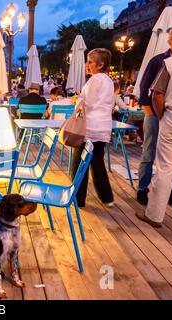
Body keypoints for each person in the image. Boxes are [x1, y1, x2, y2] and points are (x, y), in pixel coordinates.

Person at [136, 26, 172, 206]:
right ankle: (143, 188)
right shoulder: (158, 61)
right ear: (170, 40)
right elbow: (145, 90)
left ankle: (167, 191)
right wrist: (153, 114)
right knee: (149, 151)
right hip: (156, 115)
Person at [70, 48, 115, 208]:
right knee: (97, 163)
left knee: (78, 163)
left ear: (100, 64)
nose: (86, 64)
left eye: (90, 61)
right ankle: (107, 197)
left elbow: (87, 104)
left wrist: (76, 99)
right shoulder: (109, 81)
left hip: (90, 128)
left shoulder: (95, 80)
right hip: (103, 128)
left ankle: (77, 198)